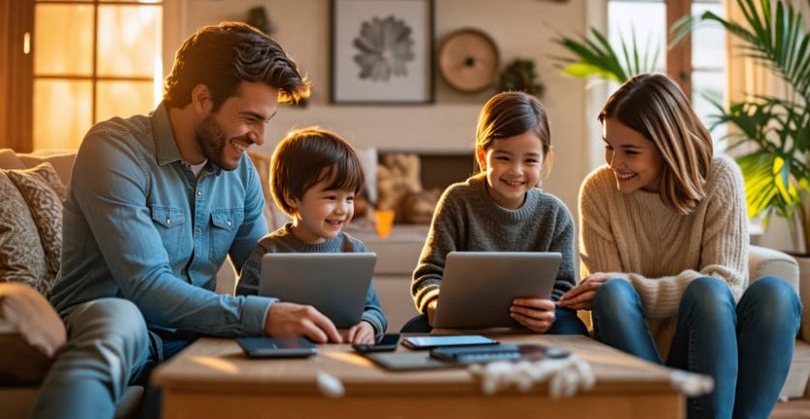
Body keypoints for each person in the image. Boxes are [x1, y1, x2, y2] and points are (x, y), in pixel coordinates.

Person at [30, 22, 343, 418]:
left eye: (267, 120)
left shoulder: (241, 173)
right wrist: (260, 315)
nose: (261, 137)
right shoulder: (114, 149)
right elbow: (145, 285)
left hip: (195, 337)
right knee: (119, 316)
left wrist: (346, 312)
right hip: (117, 326)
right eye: (250, 118)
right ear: (201, 97)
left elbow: (263, 271)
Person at [559, 73, 802, 418]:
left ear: (668, 147)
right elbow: (604, 299)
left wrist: (633, 285)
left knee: (772, 295)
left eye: (630, 151)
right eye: (609, 146)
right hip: (640, 353)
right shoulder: (598, 191)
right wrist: (622, 287)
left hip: (710, 351)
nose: (615, 163)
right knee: (612, 293)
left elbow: (727, 287)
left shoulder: (719, 177)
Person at [409, 91, 588, 335]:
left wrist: (551, 310)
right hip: (464, 319)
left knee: (571, 327)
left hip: (532, 324)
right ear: (483, 157)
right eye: (504, 158)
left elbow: (563, 289)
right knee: (414, 329)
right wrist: (435, 303)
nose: (516, 170)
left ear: (545, 159)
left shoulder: (555, 214)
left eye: (530, 161)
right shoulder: (457, 201)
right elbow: (429, 274)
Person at [236, 127, 388, 344]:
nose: (343, 209)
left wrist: (370, 325)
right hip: (283, 352)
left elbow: (373, 309)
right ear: (292, 197)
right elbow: (245, 313)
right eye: (331, 197)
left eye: (349, 198)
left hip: (341, 349)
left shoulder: (354, 251)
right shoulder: (267, 252)